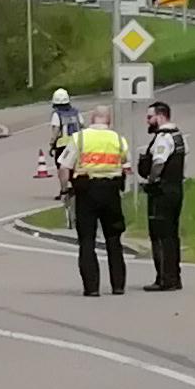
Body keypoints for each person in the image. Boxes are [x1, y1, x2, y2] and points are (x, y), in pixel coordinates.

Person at [66, 107, 131, 297]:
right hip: (111, 192)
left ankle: (92, 287)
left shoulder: (80, 138)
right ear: (108, 122)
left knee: (87, 241)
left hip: (87, 191)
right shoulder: (118, 139)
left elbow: (65, 166)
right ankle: (118, 285)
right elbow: (127, 167)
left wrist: (66, 188)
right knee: (114, 239)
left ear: (91, 119)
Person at [139, 100, 186, 292]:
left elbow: (158, 162)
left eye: (150, 117)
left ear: (160, 116)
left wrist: (151, 179)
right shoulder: (178, 135)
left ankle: (165, 278)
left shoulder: (163, 138)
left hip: (162, 192)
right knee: (172, 236)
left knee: (160, 236)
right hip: (175, 190)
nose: (147, 121)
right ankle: (174, 276)